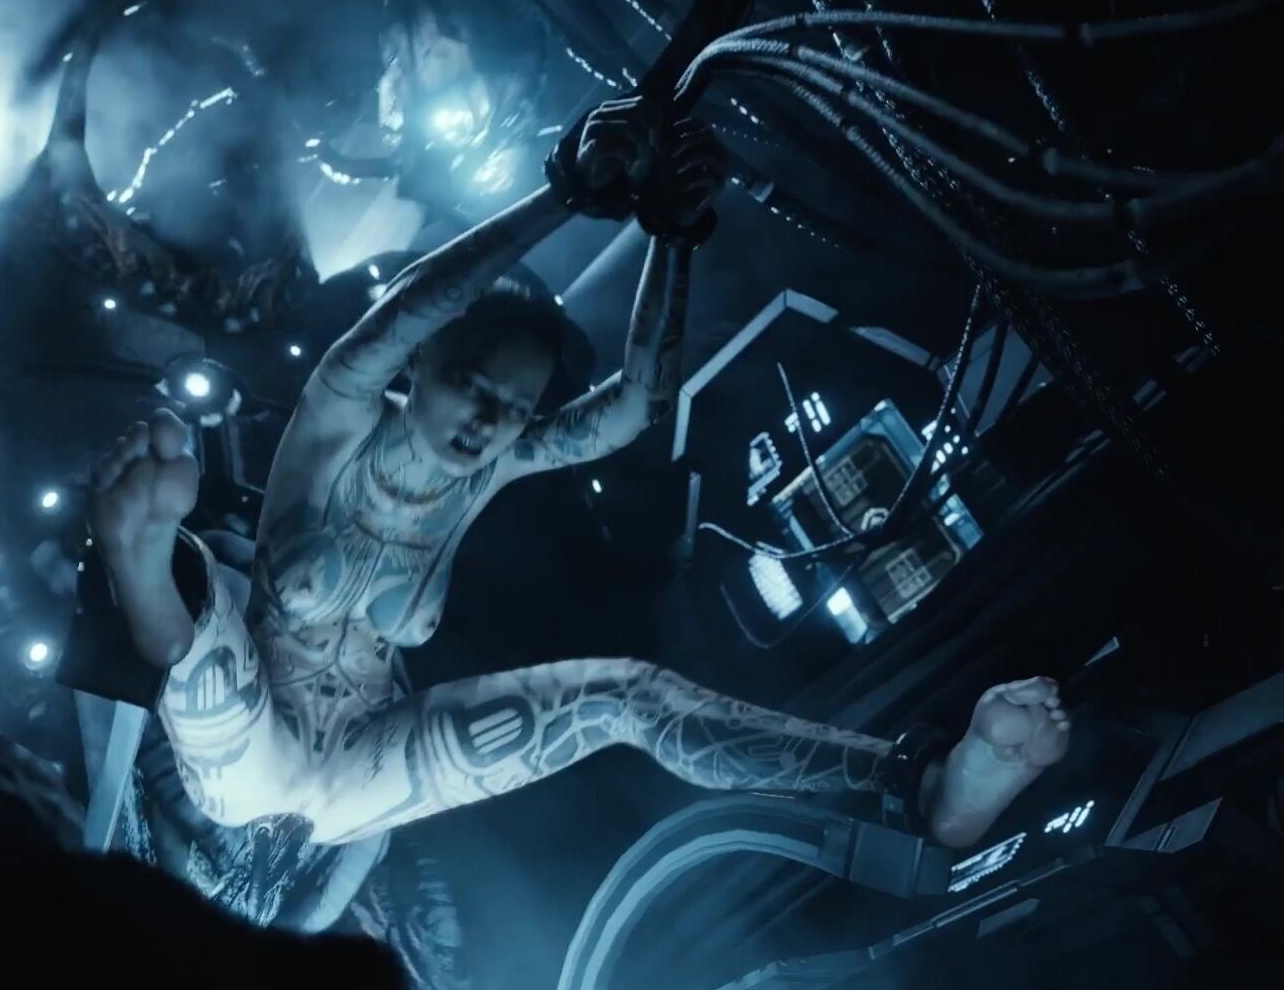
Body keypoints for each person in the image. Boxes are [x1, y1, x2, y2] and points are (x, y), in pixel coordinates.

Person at [89, 95, 1071, 871]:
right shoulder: (337, 422)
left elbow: (634, 405)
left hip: (363, 772)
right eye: (471, 384)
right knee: (199, 608)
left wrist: (675, 232)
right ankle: (146, 557)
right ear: (423, 363)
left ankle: (920, 787)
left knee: (629, 696)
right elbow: (389, 323)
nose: (486, 420)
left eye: (512, 407)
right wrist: (562, 193)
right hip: (247, 743)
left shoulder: (494, 462)